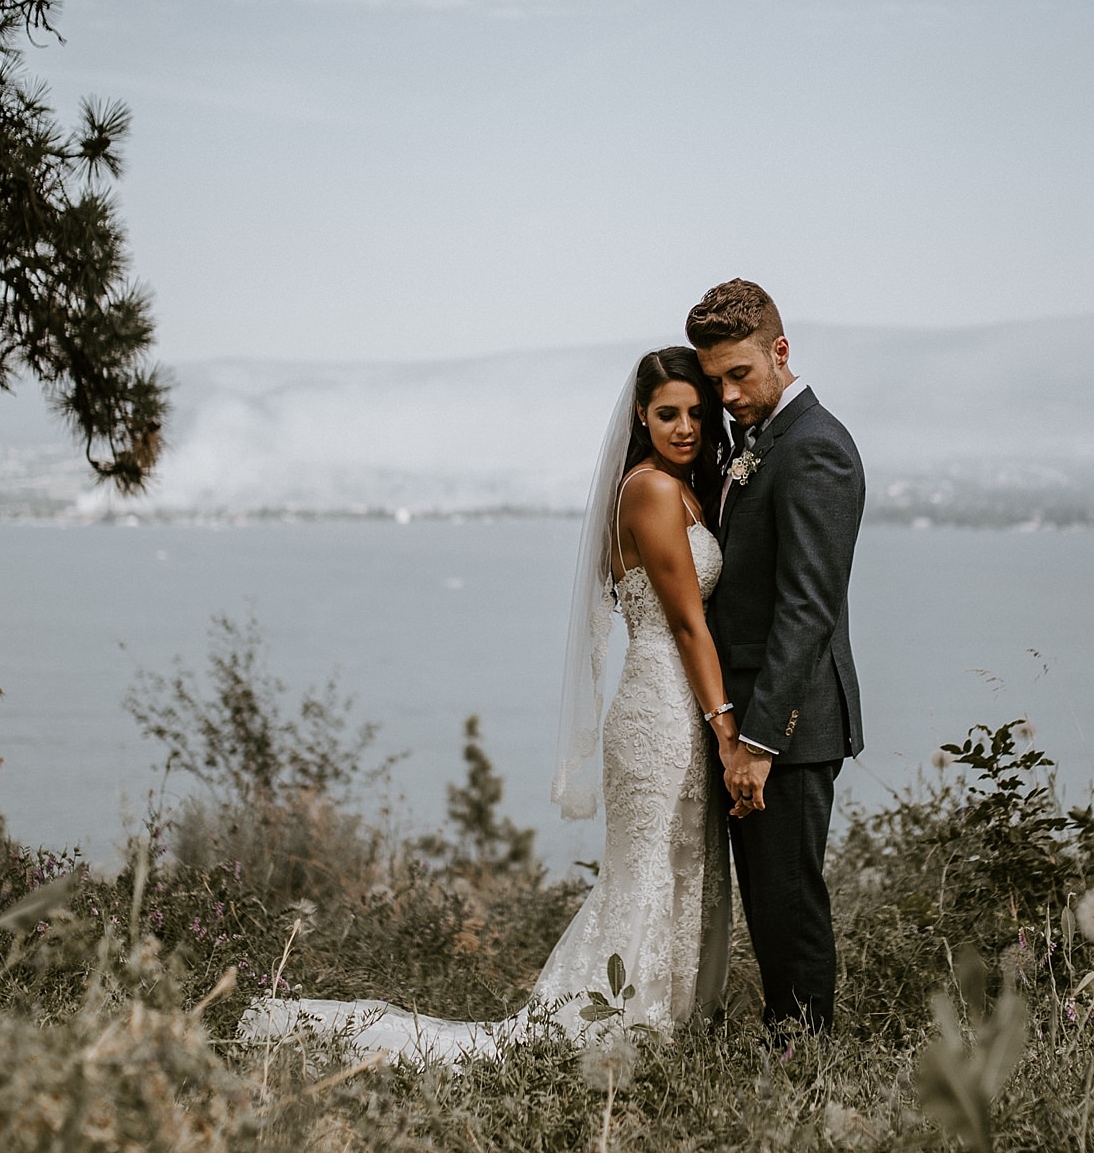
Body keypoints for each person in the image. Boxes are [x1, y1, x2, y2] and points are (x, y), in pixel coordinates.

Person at [239, 346, 738, 1059]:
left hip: (679, 702)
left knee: (680, 866)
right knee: (650, 873)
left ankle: (666, 1023)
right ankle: (622, 1026)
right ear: (641, 415)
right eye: (668, 414)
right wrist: (725, 727)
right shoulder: (651, 491)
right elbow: (688, 622)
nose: (685, 426)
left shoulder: (686, 487)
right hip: (663, 707)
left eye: (696, 412)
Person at [688, 278, 867, 1037]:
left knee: (789, 899)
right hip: (754, 722)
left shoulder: (816, 448)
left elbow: (807, 608)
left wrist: (759, 743)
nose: (727, 394)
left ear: (781, 351)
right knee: (767, 897)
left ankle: (804, 1051)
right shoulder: (759, 443)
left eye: (740, 374)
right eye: (715, 380)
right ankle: (783, 1037)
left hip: (787, 728)